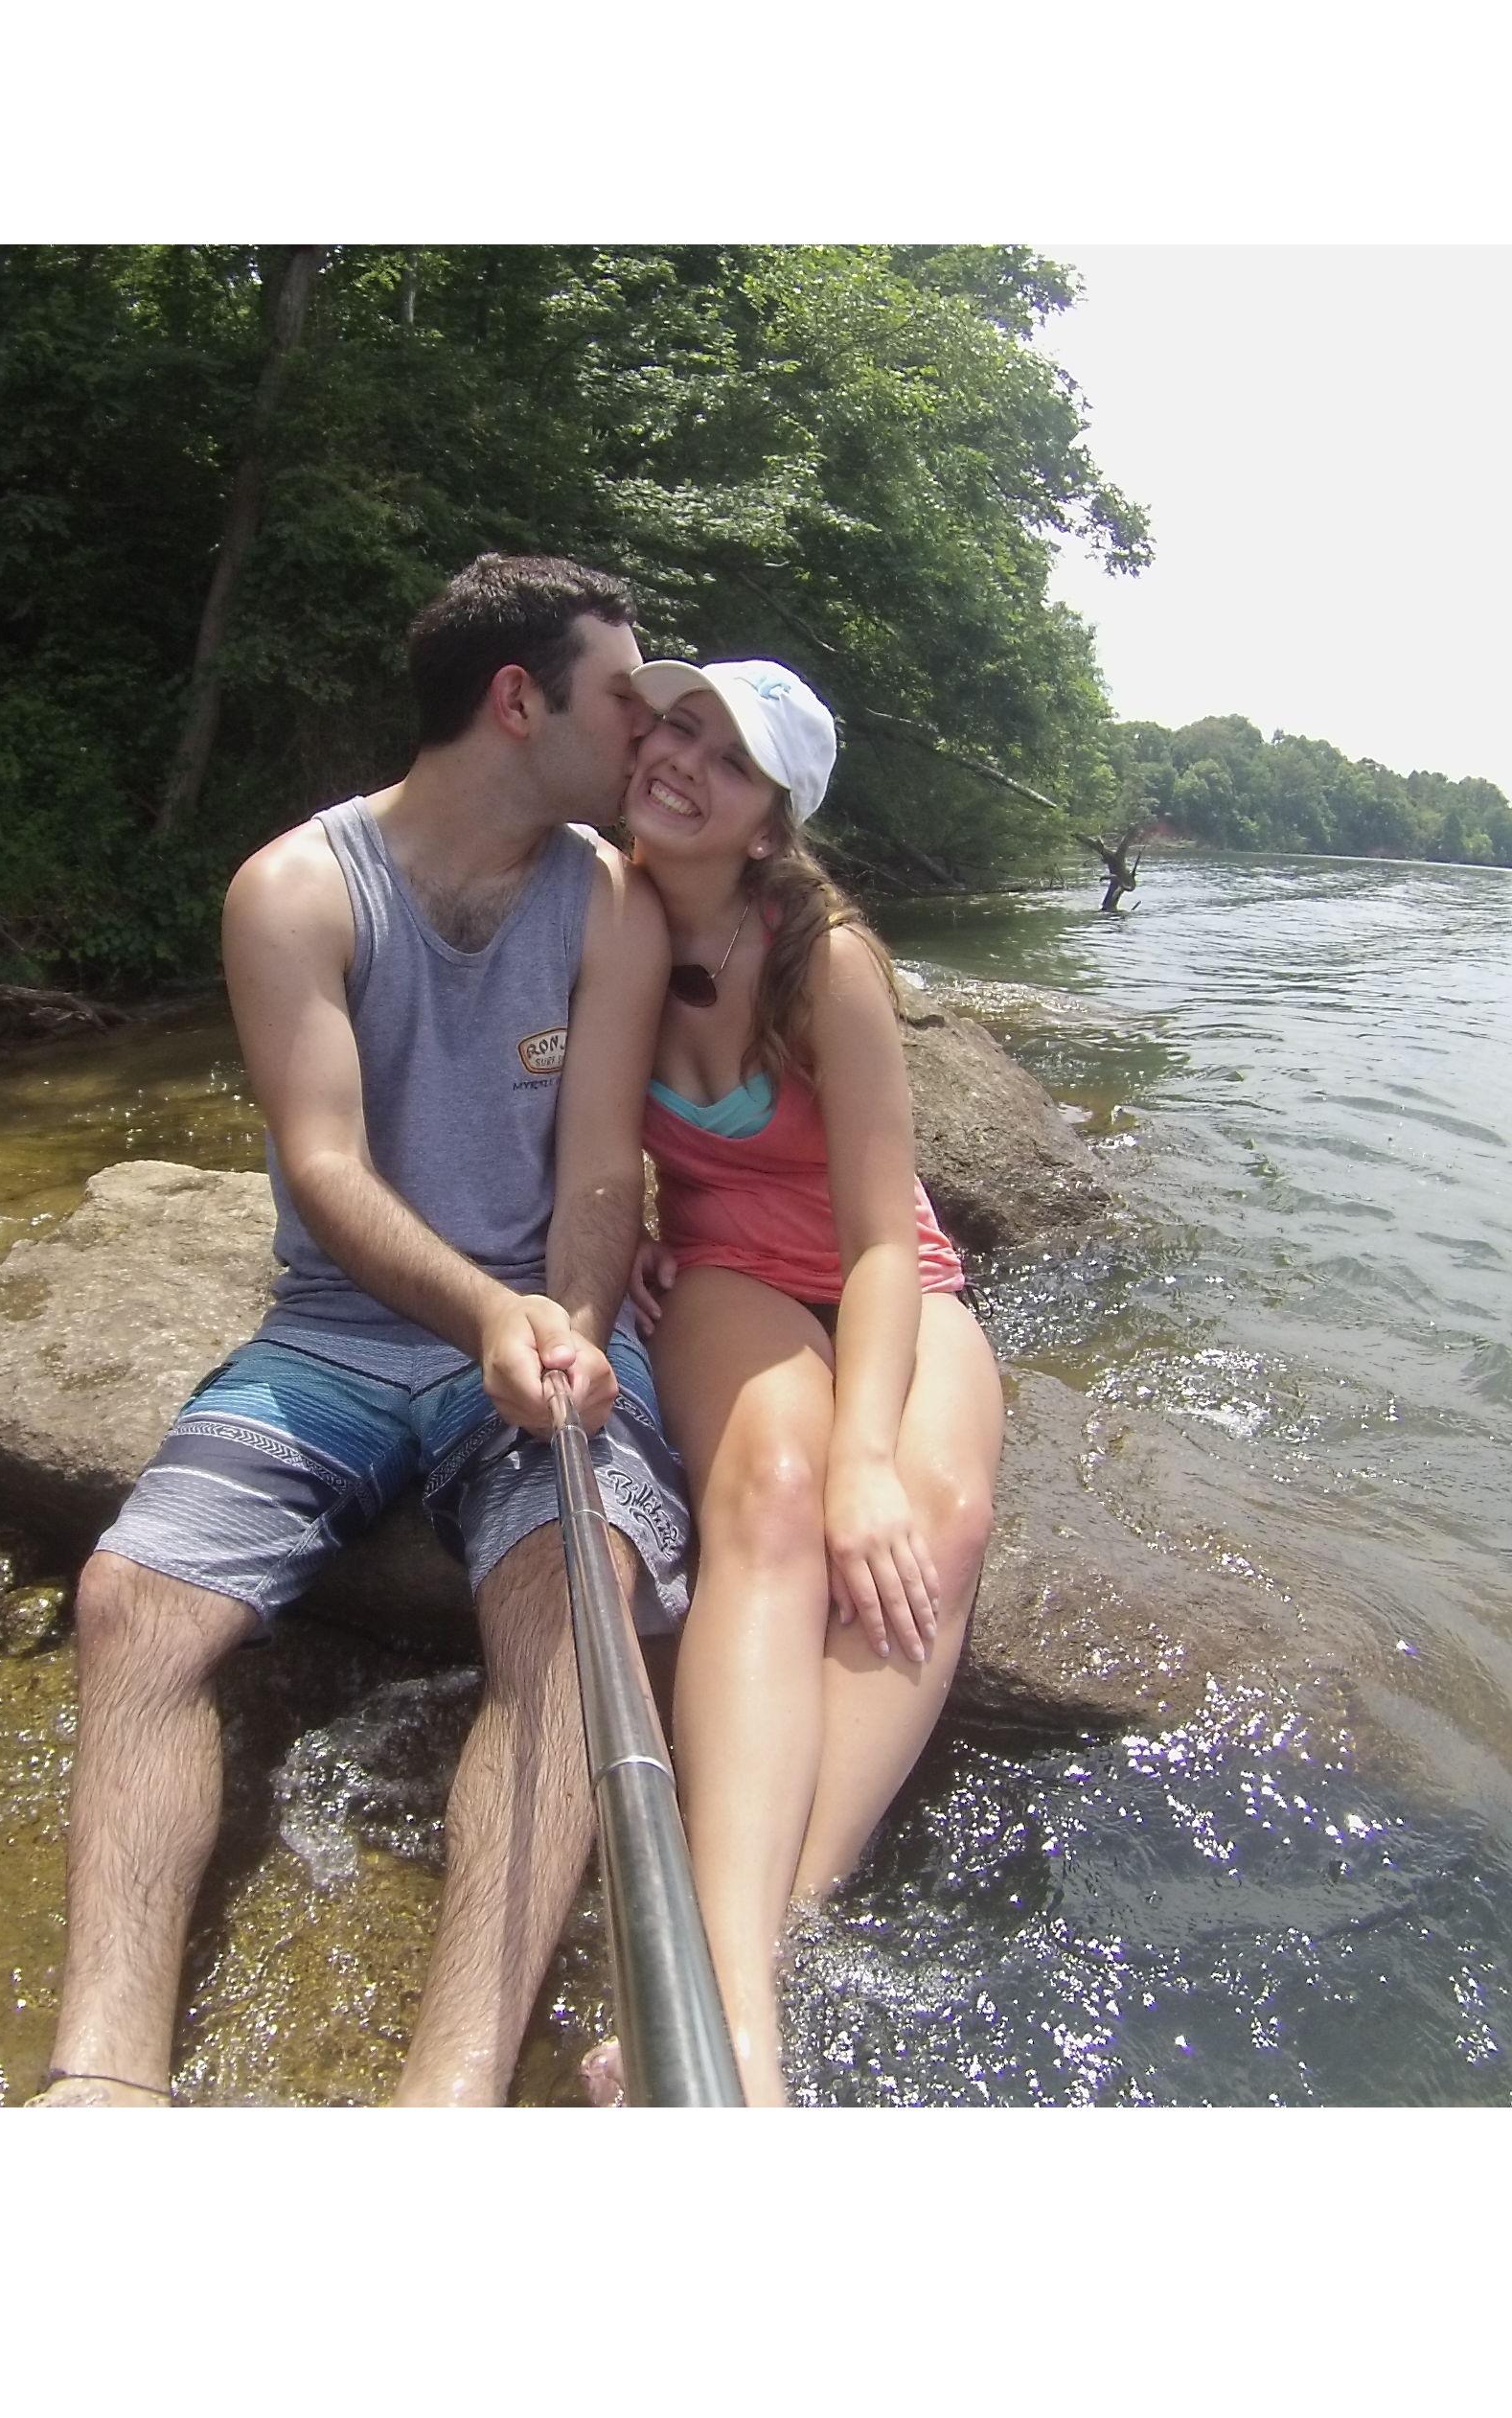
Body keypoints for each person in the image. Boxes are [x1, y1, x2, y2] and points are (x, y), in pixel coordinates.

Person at [31, 556, 693, 2108]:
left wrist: (575, 1324)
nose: (648, 728)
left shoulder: (609, 898)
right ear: (516, 701)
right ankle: (103, 2077)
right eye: (621, 693)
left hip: (542, 1334)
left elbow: (602, 1164)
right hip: (335, 1336)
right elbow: (325, 1169)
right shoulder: (298, 890)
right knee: (133, 1602)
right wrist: (481, 1309)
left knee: (572, 1613)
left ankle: (444, 2100)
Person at [613, 656, 1004, 2107]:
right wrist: (626, 1242)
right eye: (672, 726)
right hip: (724, 1270)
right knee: (773, 1498)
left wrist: (871, 1465)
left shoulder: (826, 958)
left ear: (774, 819)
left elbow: (882, 1236)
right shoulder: (604, 910)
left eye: (724, 754)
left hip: (876, 1268)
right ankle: (745, 2026)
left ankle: (747, 1964)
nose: (679, 760)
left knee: (932, 1517)